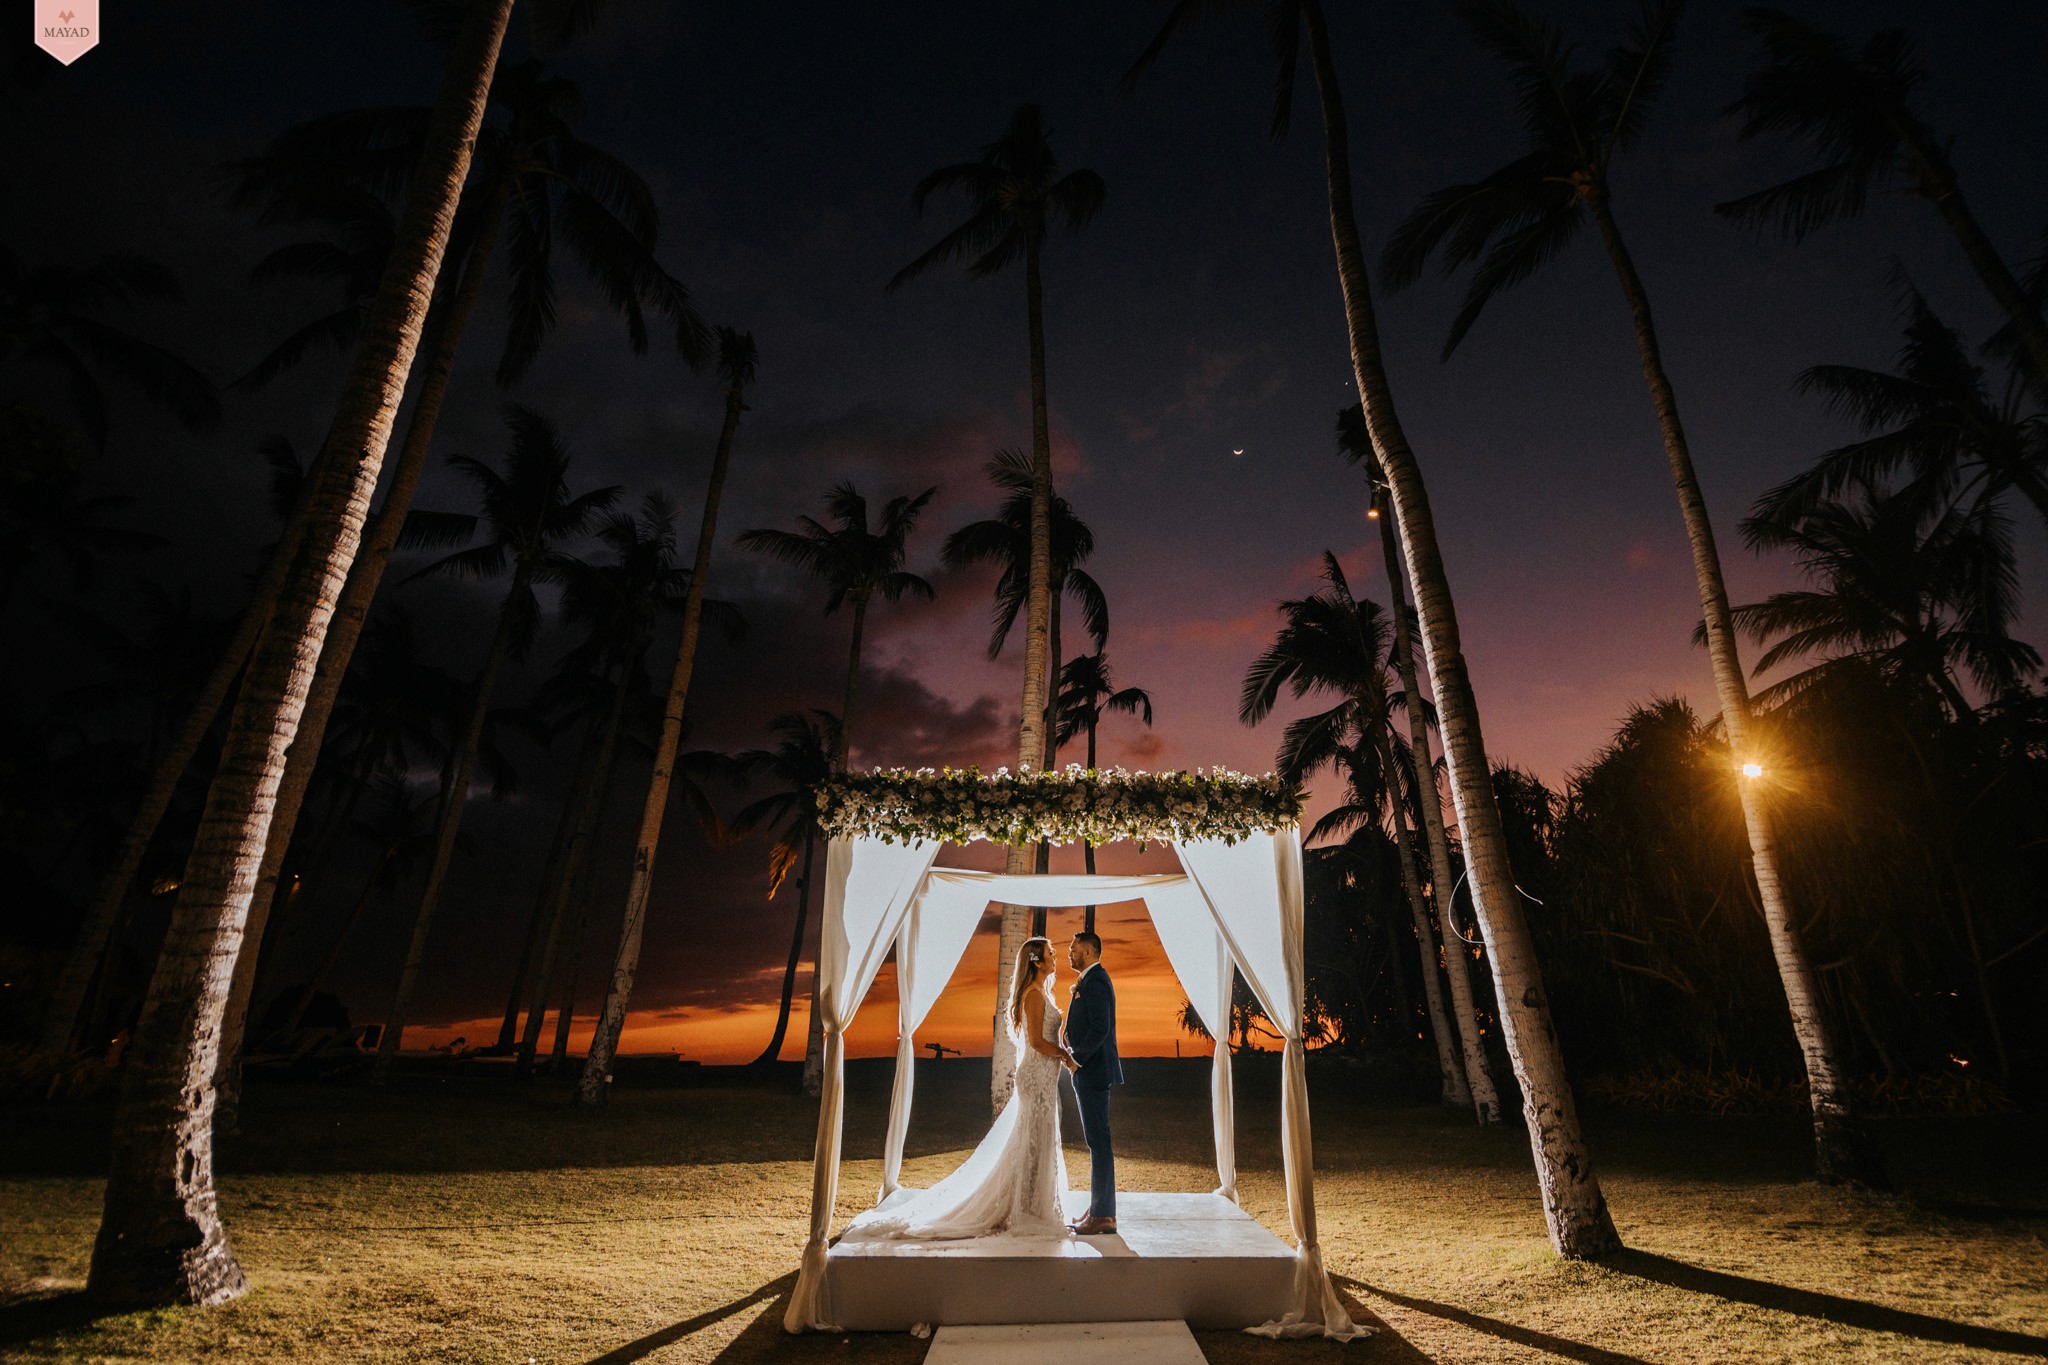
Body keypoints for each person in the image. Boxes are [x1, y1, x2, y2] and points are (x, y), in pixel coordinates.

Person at [841, 937, 1073, 1241]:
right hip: (1035, 1076)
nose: (1055, 956)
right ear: (1037, 962)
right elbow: (1038, 1042)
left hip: (1043, 1077)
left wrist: (1063, 1046)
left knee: (1038, 1140)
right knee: (1032, 1139)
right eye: (1050, 953)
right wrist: (1065, 1056)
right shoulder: (1033, 995)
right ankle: (1022, 1207)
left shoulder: (1042, 993)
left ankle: (1032, 1205)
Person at [1061, 930, 1122, 1235]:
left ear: (1087, 952)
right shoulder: (1089, 980)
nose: (1069, 953)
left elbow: (1101, 1027)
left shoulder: (1096, 981)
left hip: (1093, 1071)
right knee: (1096, 1142)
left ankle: (1103, 1215)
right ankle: (1099, 1208)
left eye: (1073, 949)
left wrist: (1077, 1058)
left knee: (1099, 1143)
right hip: (1090, 1070)